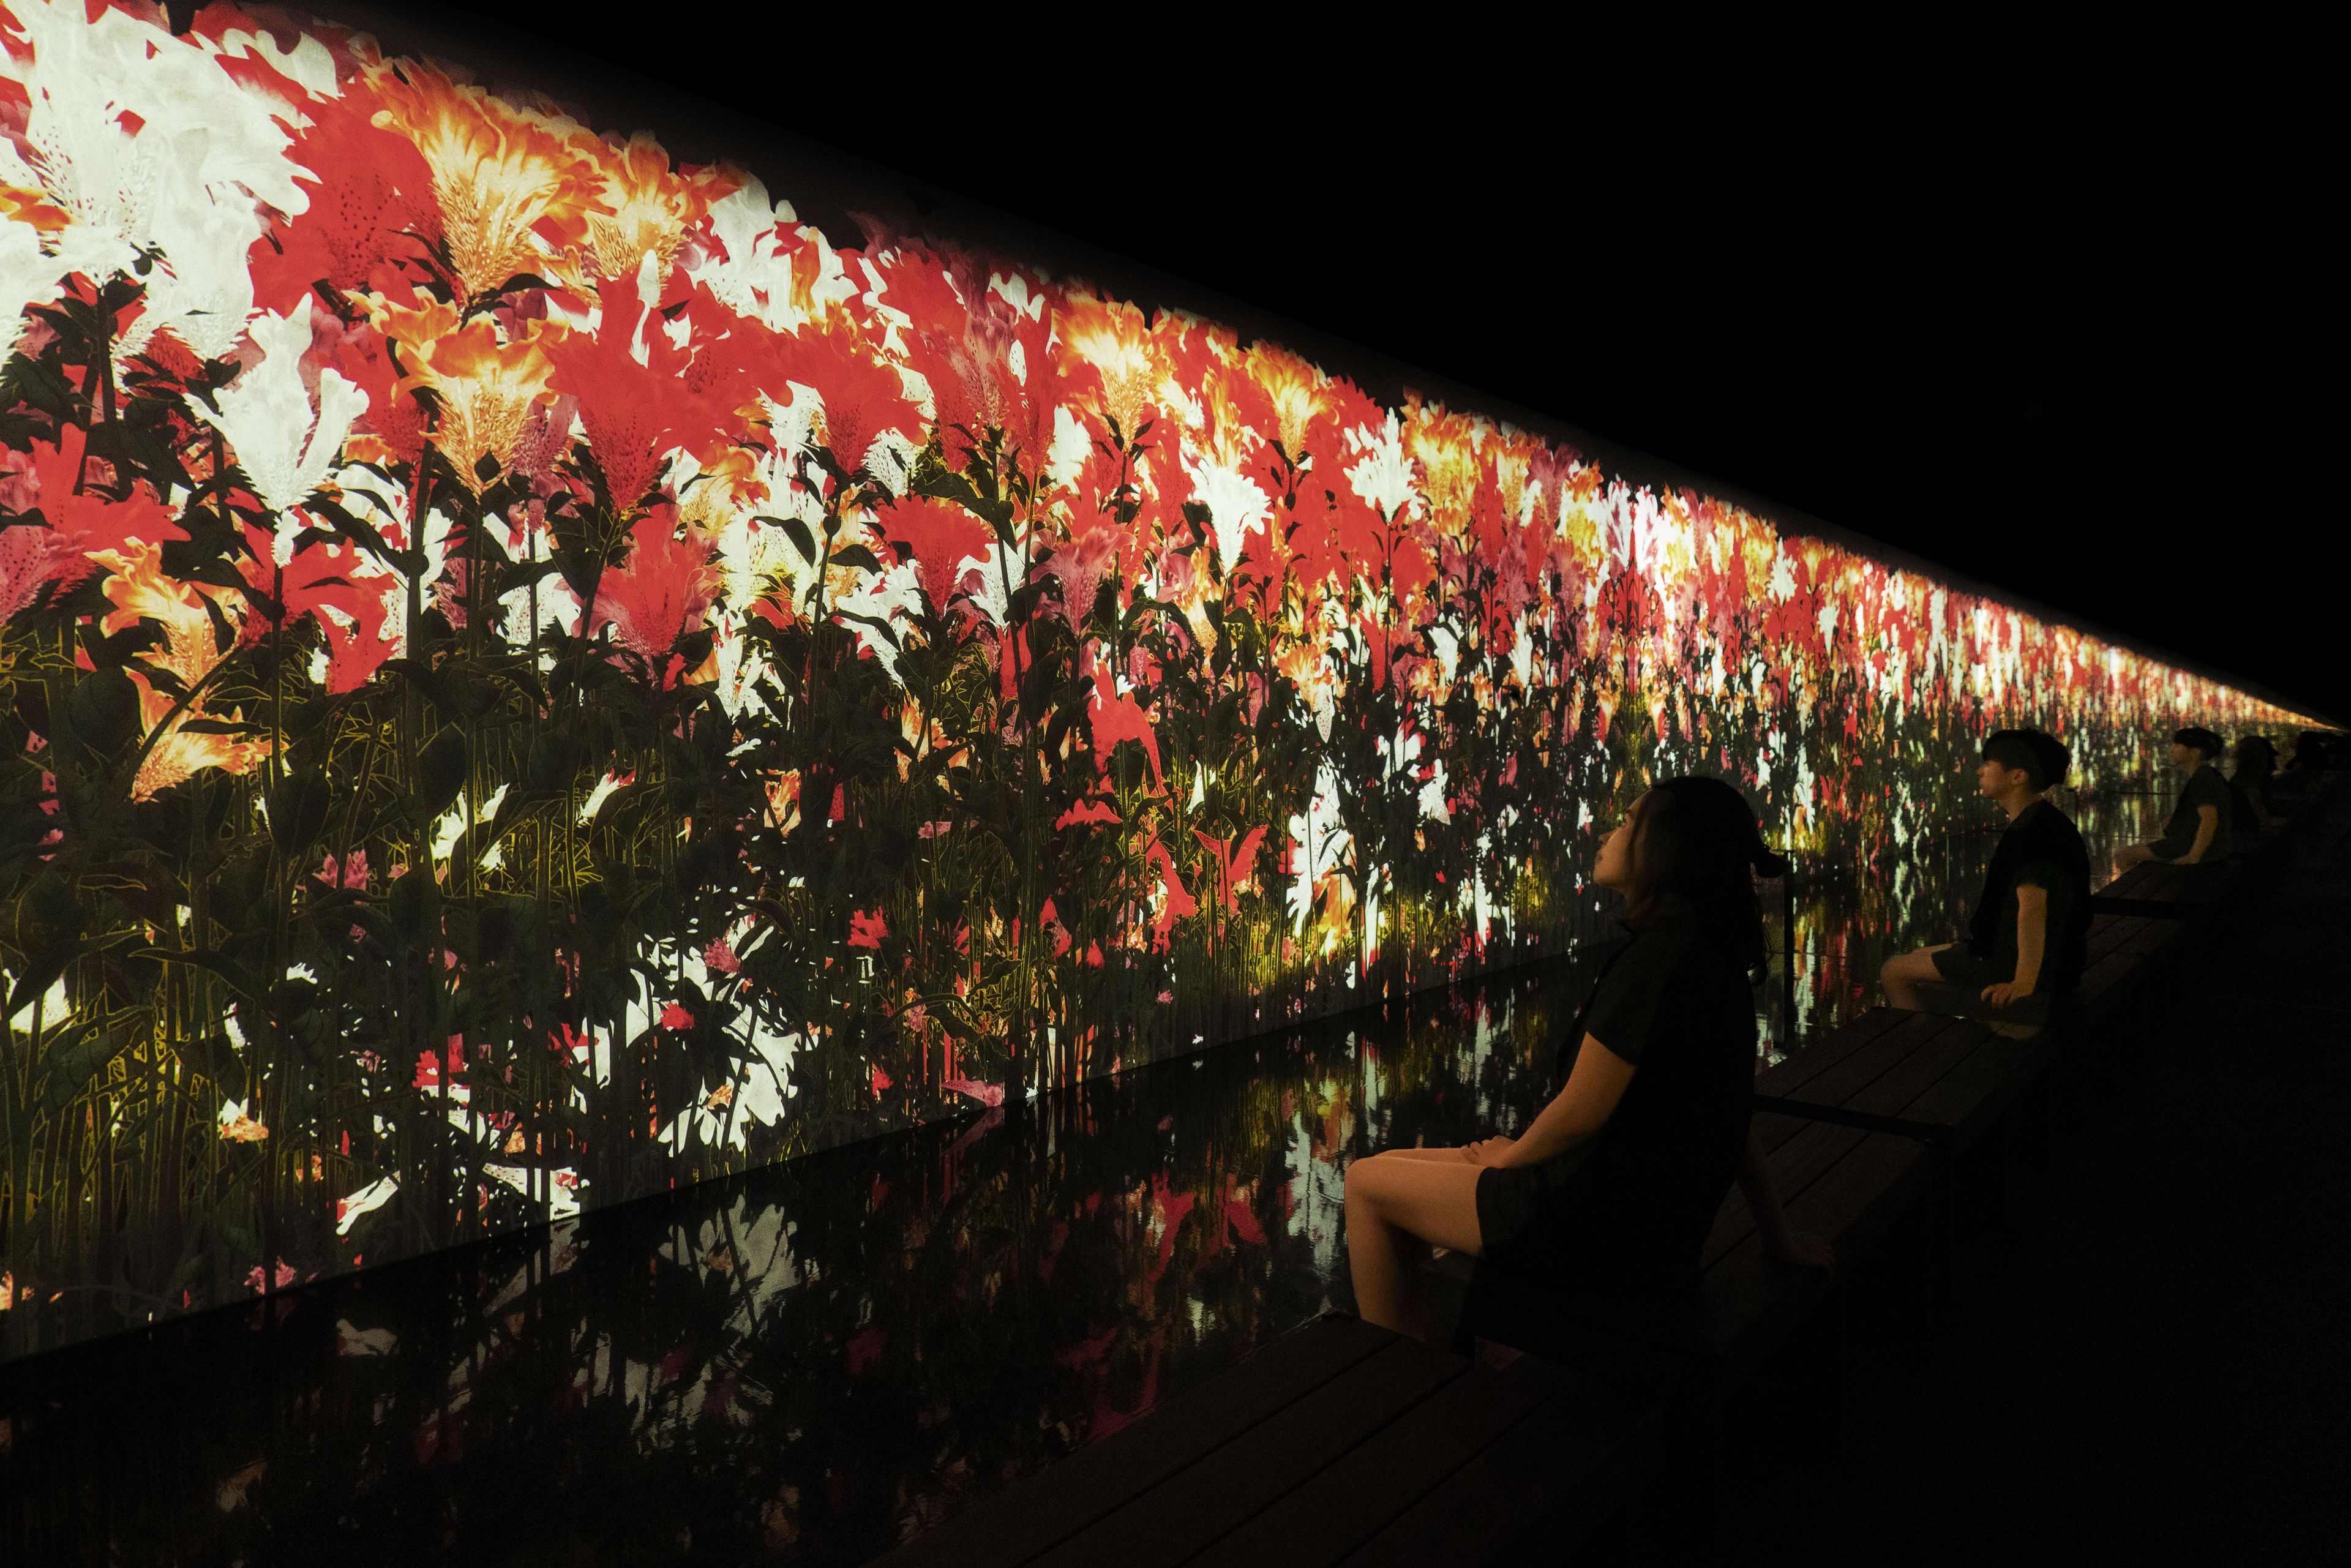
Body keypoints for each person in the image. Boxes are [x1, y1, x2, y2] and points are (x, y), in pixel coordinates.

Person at [1343, 776, 1830, 1342]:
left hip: (1588, 1227)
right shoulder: (1708, 954)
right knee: (1397, 1169)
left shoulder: (1654, 964)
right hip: (1645, 1231)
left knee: (1365, 1182)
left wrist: (1508, 1160)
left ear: (1666, 848)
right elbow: (1733, 1116)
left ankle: (1394, 1378)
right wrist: (1777, 1238)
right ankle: (1420, 1358)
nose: (1607, 832)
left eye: (1626, 822)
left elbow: (1580, 1111)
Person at [1880, 729, 2091, 1029]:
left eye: (1989, 764)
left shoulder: (2030, 835)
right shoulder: (2045, 820)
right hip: (2054, 956)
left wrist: (2023, 983)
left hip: (2018, 962)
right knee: (1917, 955)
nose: (1980, 771)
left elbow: (2033, 913)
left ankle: (1921, 1047)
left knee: (1894, 971)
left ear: (2018, 776)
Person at [2115, 726, 2233, 872]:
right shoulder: (2207, 774)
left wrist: (2194, 856)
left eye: (2177, 745)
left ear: (2195, 752)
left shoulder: (2203, 778)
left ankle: (2143, 886)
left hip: (2192, 847)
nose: (2172, 750)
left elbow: (2210, 819)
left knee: (2123, 855)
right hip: (2201, 845)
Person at [2229, 735, 2279, 833]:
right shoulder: (2250, 778)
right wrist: (2269, 825)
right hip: (2245, 827)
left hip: (2242, 826)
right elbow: (2256, 803)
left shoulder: (2242, 778)